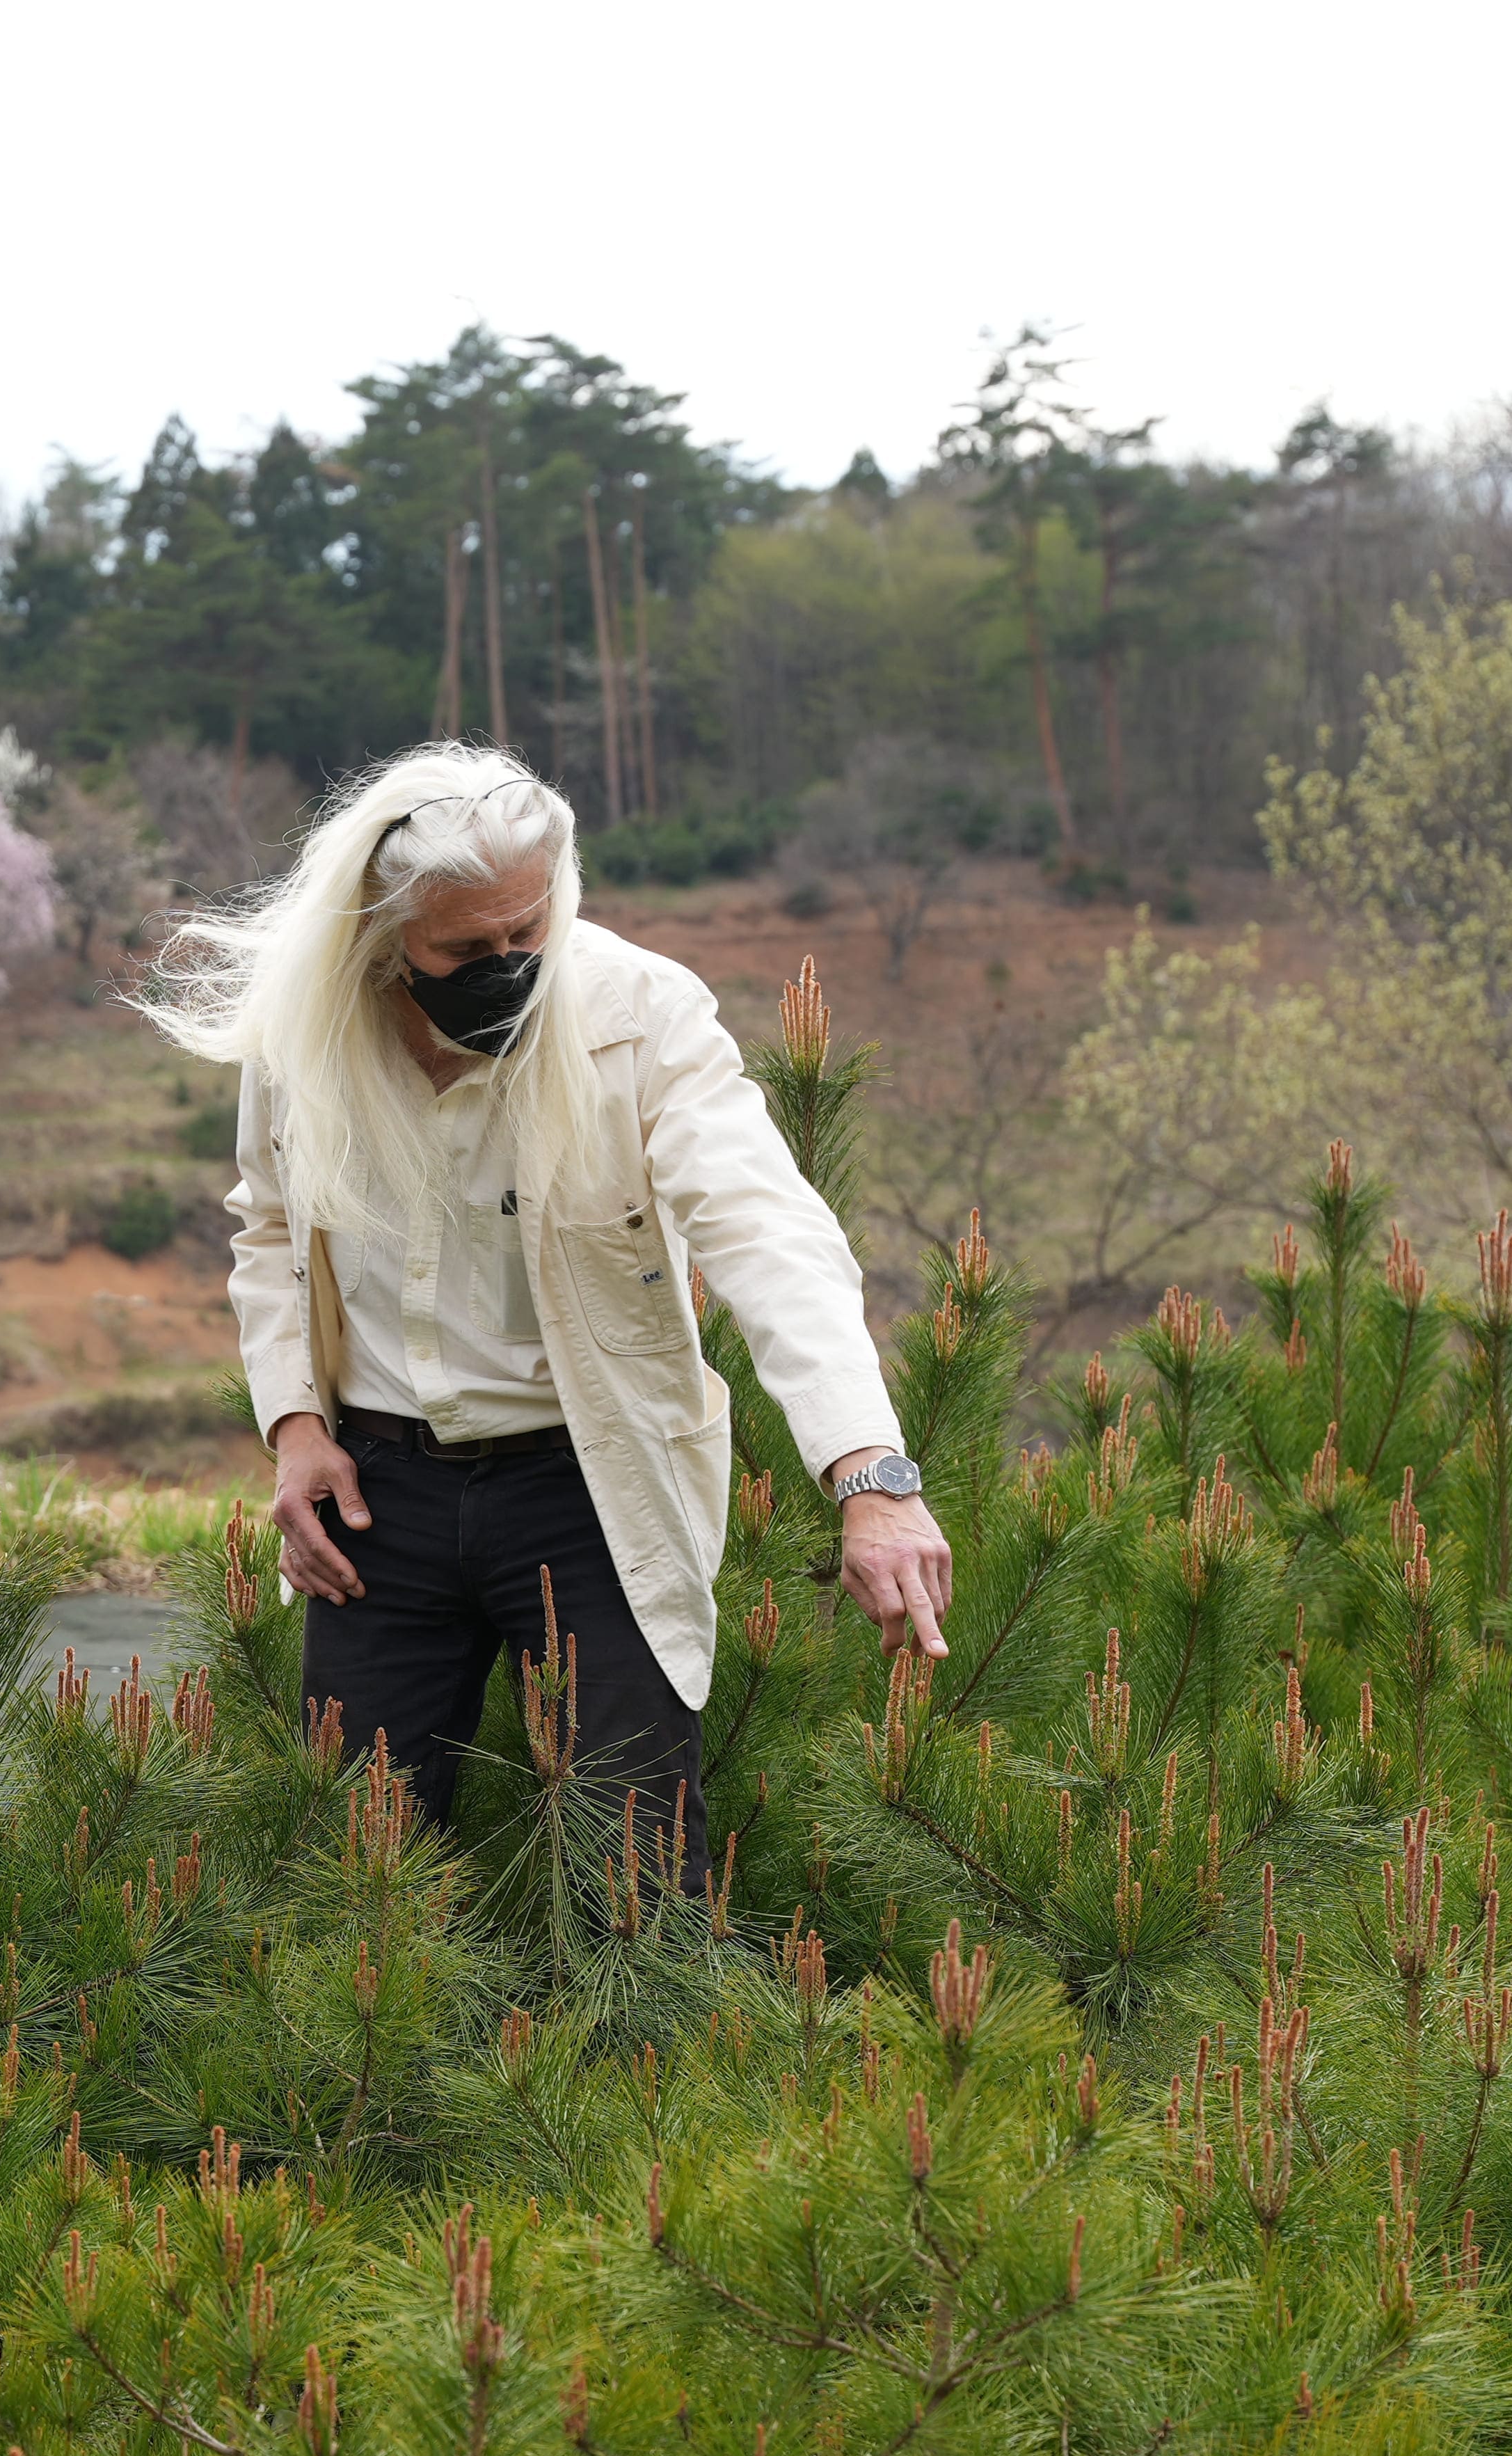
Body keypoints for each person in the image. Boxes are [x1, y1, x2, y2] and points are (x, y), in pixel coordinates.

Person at [159, 743, 953, 1862]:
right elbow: (273, 1224)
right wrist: (295, 1429)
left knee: (632, 1864)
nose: (510, 960)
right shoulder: (310, 1030)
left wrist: (870, 1476)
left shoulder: (644, 1015)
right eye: (468, 946)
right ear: (385, 938)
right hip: (376, 1498)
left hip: (592, 1489)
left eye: (530, 930)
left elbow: (770, 1236)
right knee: (354, 1871)